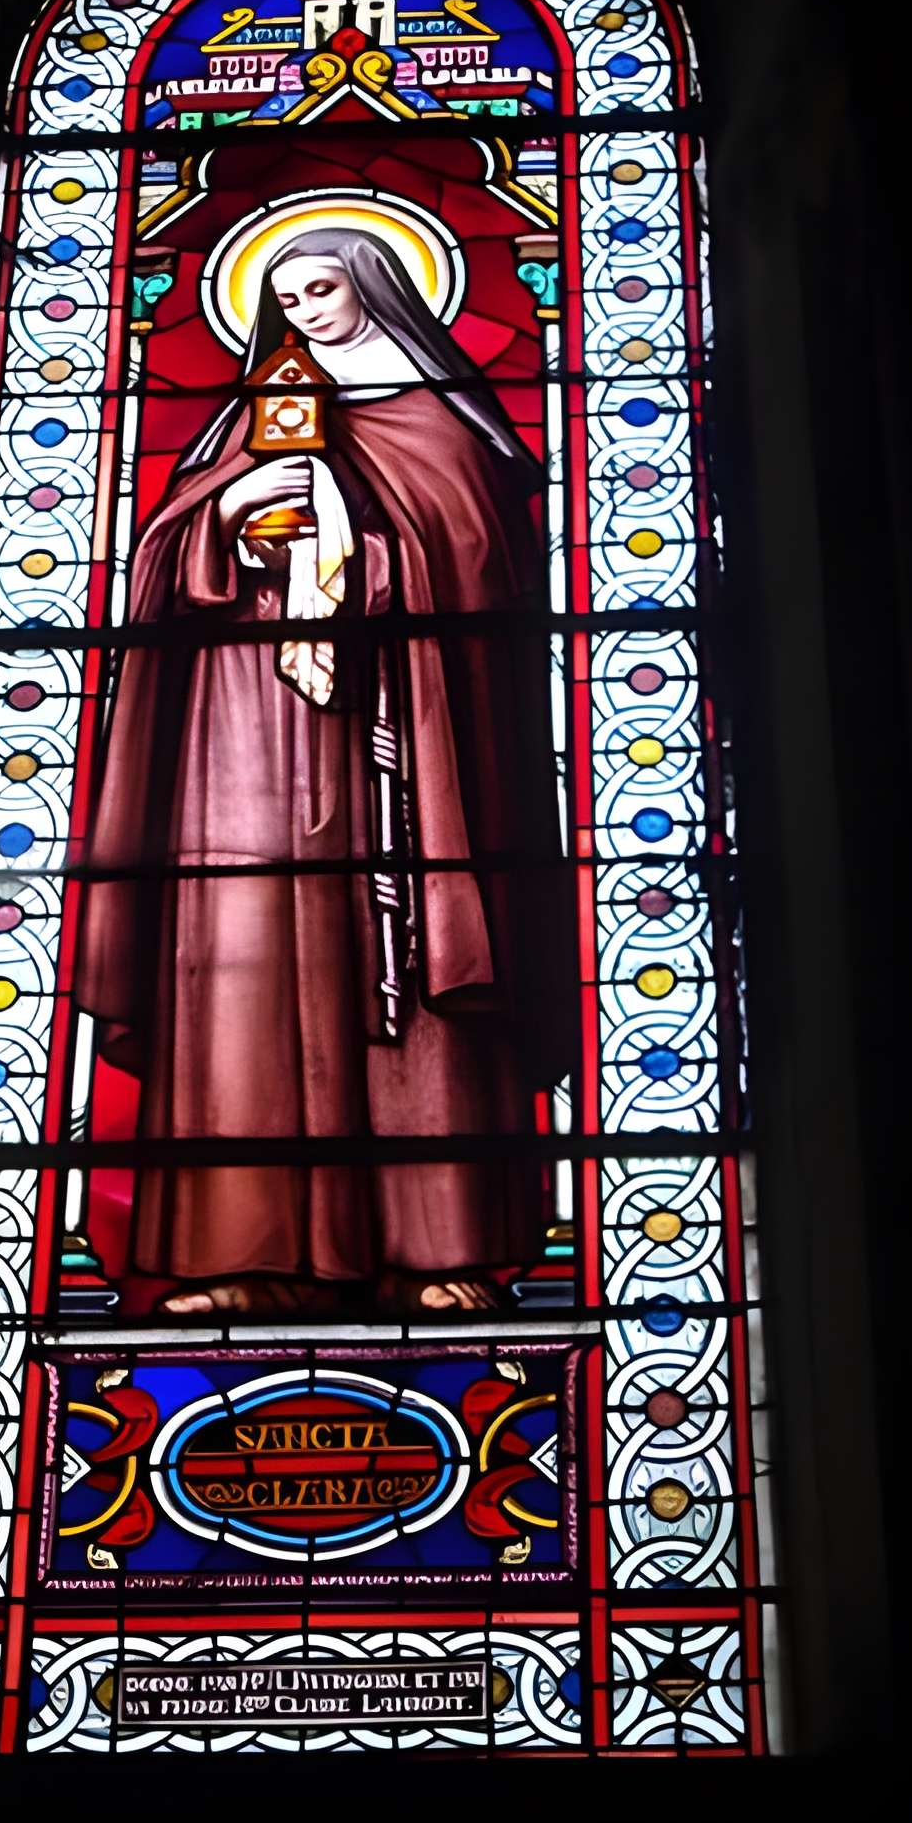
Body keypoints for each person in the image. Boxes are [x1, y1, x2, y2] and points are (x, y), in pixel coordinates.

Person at [74, 223, 576, 1315]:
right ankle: (241, 1256)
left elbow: (480, 553)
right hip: (244, 734)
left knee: (405, 969)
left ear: (376, 287)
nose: (305, 310)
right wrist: (233, 519)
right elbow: (163, 551)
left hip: (396, 732)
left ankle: (437, 1248)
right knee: (241, 954)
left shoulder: (437, 417)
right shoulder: (249, 416)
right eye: (287, 294)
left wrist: (358, 539)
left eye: (324, 286)